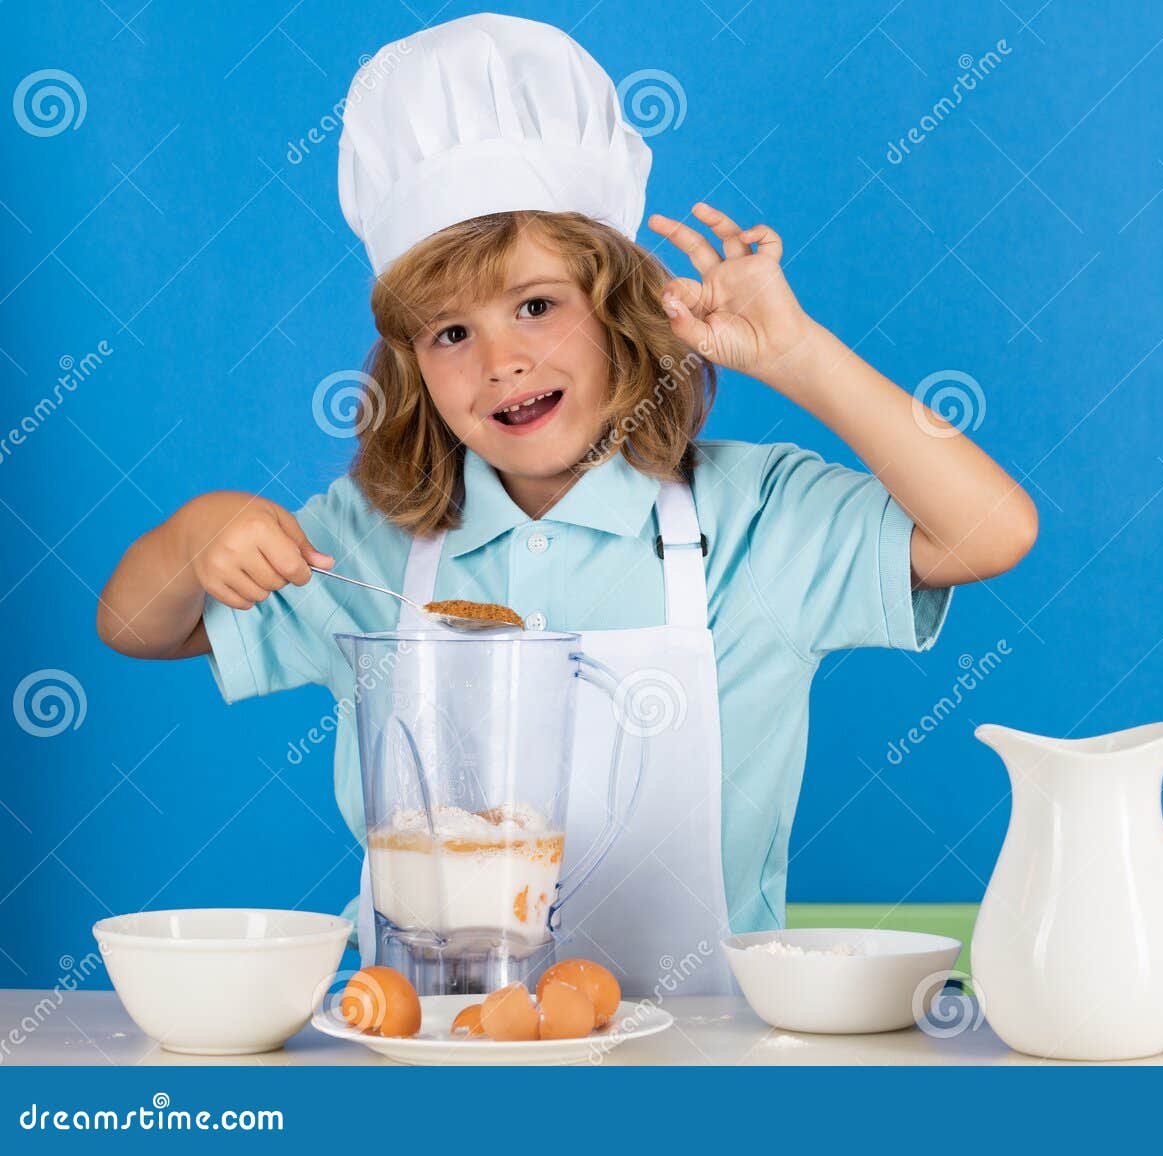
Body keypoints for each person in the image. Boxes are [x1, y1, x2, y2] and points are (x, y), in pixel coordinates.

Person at [96, 13, 1036, 995]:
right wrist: (199, 530)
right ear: (410, 366)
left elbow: (991, 531)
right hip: (425, 1052)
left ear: (622, 308)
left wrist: (799, 356)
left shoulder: (760, 518)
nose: (501, 360)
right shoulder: (367, 542)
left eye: (537, 306)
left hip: (702, 1065)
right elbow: (133, 626)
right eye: (449, 332)